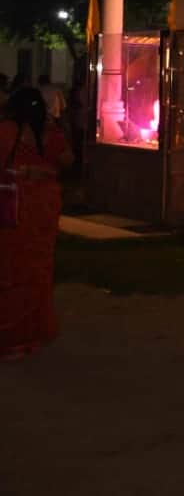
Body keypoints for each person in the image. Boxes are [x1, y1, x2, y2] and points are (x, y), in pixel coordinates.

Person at [0, 87, 72, 358]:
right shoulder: (48, 133)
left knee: (11, 266)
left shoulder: (6, 131)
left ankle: (9, 336)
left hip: (14, 206)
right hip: (43, 206)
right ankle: (31, 332)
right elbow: (68, 160)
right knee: (37, 267)